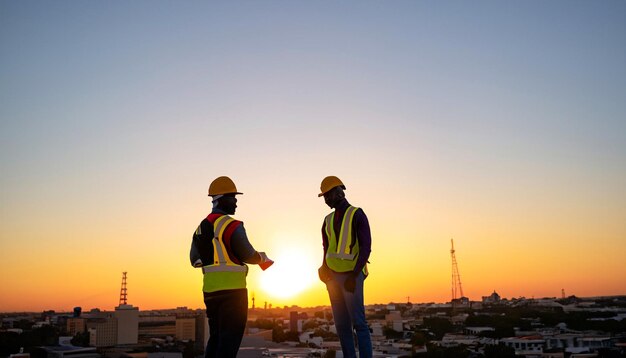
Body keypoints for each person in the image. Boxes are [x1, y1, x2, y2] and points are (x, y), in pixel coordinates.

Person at [190, 176, 272, 358]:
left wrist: (217, 259)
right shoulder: (232, 225)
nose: (236, 202)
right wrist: (262, 258)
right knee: (228, 344)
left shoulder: (201, 228)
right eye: (233, 197)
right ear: (221, 198)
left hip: (210, 292)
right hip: (233, 293)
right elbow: (248, 255)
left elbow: (195, 260)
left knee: (216, 339)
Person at [317, 176, 373, 358]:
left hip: (352, 276)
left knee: (359, 323)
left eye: (327, 195)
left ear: (339, 192)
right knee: (342, 326)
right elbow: (327, 248)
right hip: (333, 278)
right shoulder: (327, 220)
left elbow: (366, 247)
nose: (325, 200)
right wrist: (323, 267)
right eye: (323, 196)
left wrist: (354, 275)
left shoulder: (357, 214)